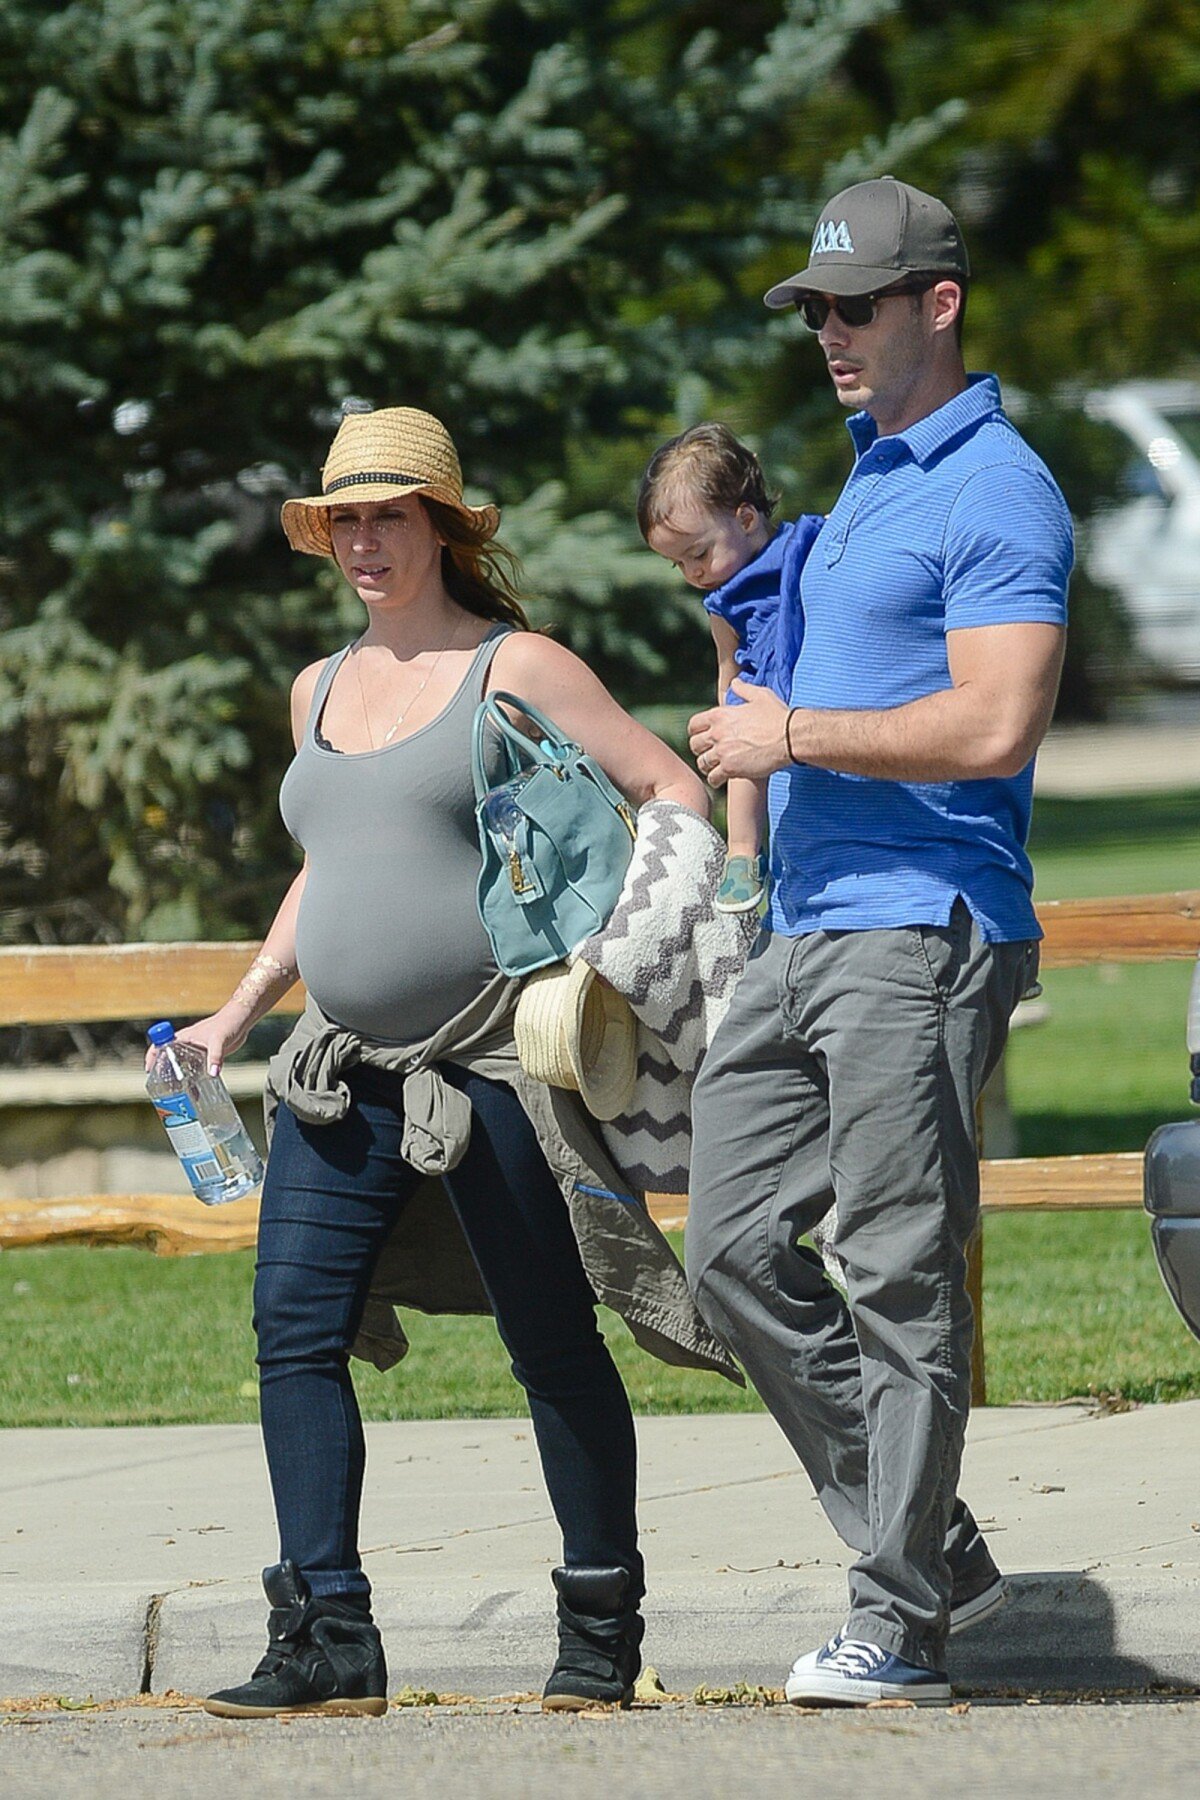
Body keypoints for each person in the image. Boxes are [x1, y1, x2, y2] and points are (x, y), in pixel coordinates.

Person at [164, 403, 725, 1718]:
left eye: (390, 515)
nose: (365, 540)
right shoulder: (319, 686)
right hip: (338, 1067)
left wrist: (615, 957)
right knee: (292, 1332)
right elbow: (332, 868)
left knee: (551, 1342)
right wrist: (237, 1012)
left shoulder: (514, 665)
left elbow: (668, 787)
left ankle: (599, 1627)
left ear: (441, 527)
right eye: (345, 518)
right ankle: (326, 1637)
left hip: (494, 1066)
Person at [684, 177, 1073, 1706]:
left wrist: (797, 735)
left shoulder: (999, 488)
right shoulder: (861, 492)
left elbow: (997, 720)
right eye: (816, 314)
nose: (830, 336)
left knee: (900, 1274)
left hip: (921, 929)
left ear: (940, 304)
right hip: (802, 929)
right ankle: (937, 1545)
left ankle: (896, 1622)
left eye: (855, 308)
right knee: (723, 1253)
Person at [637, 423, 819, 913]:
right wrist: (729, 712)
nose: (692, 572)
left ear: (745, 519)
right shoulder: (724, 601)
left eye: (697, 553)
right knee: (745, 763)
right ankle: (742, 853)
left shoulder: (805, 547)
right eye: (677, 564)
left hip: (813, 684)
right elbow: (728, 662)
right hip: (761, 695)